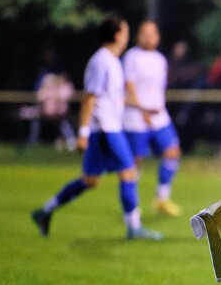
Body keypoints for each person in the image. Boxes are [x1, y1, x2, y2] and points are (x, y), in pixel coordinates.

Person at [31, 15, 162, 241]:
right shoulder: (101, 61)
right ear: (118, 34)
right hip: (106, 129)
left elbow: (116, 98)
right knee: (129, 171)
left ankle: (45, 211)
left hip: (106, 128)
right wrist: (82, 133)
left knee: (90, 180)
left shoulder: (112, 61)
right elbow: (89, 98)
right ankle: (134, 227)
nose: (128, 35)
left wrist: (143, 108)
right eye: (126, 30)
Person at [122, 20, 183, 217]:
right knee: (134, 163)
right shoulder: (132, 56)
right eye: (144, 33)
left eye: (153, 33)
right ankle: (132, 208)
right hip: (137, 118)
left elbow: (158, 89)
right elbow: (129, 86)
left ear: (157, 36)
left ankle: (161, 198)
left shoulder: (159, 59)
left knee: (173, 152)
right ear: (138, 35)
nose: (149, 36)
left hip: (159, 117)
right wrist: (143, 111)